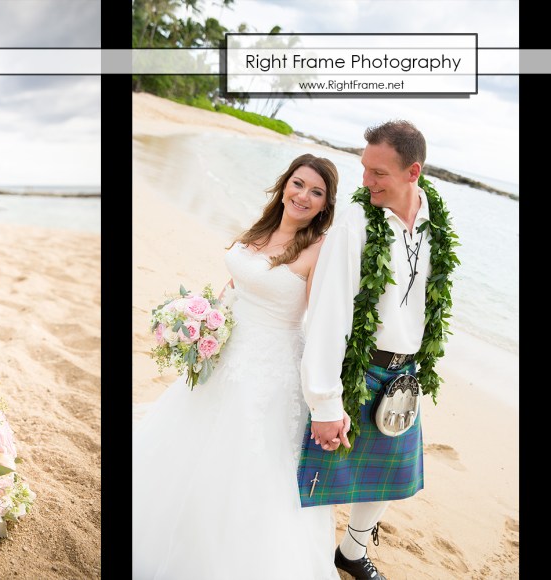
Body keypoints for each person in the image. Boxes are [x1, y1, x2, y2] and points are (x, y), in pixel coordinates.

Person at [132, 154, 343, 579]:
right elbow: (239, 284)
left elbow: (323, 323)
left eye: (316, 192)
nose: (303, 195)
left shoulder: (321, 249)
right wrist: (200, 316)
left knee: (249, 463)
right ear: (285, 184)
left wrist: (326, 396)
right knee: (189, 444)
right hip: (226, 350)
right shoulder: (264, 229)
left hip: (269, 368)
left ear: (325, 205)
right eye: (298, 184)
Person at [296, 121, 458, 580]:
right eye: (363, 169)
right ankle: (301, 559)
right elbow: (328, 314)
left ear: (413, 172)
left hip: (404, 374)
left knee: (386, 479)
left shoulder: (435, 222)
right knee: (319, 479)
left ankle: (352, 549)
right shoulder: (355, 221)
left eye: (378, 173)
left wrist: (418, 365)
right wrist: (326, 401)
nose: (365, 182)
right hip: (358, 369)